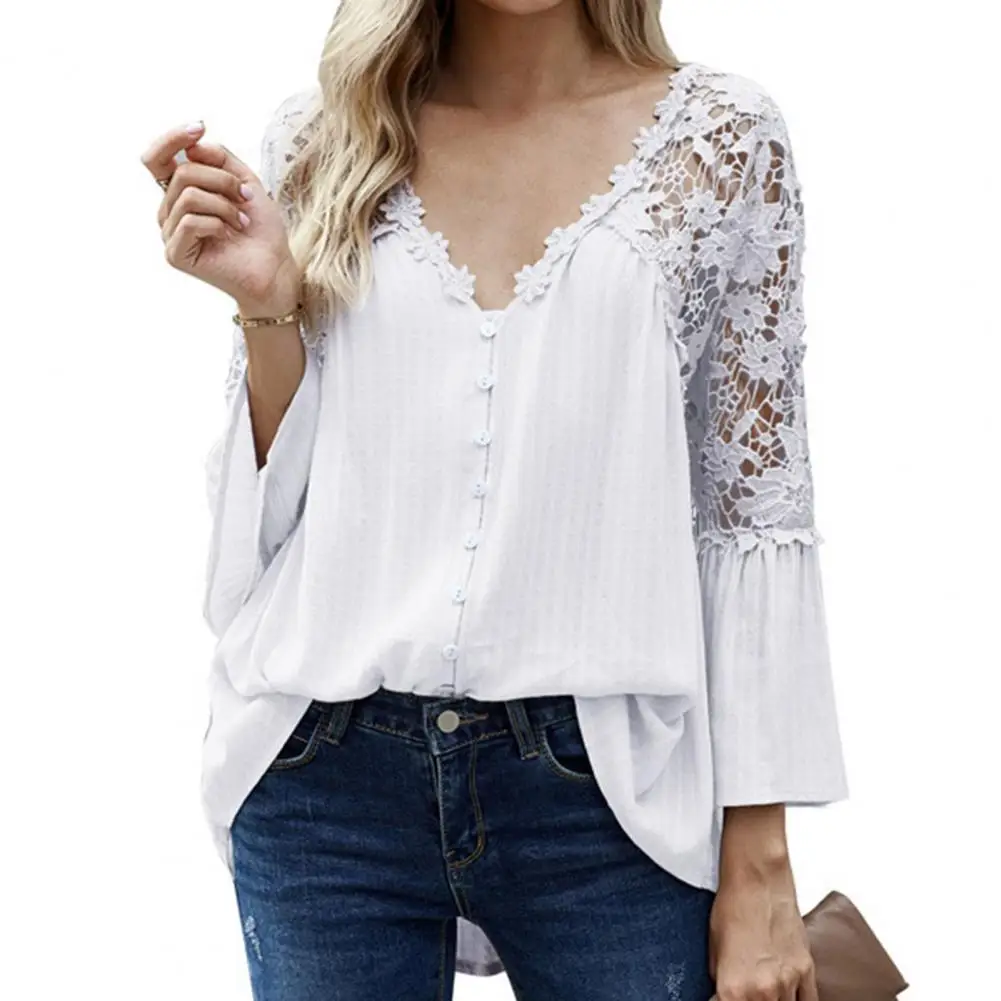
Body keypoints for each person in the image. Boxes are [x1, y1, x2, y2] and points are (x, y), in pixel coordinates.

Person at [141, 1, 849, 998]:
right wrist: (268, 308)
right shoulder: (322, 138)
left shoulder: (721, 143)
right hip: (322, 778)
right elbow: (273, 523)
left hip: (610, 790)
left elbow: (750, 508)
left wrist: (760, 857)